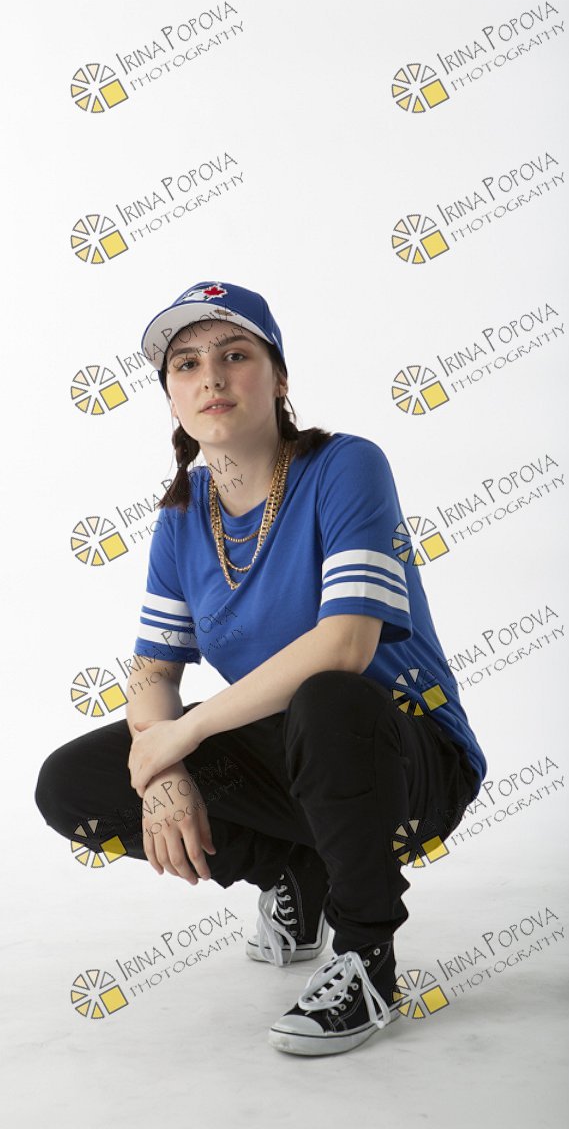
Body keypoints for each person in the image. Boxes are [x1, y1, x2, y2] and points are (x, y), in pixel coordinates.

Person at [35, 281, 487, 1057]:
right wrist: (162, 767)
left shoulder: (346, 466)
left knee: (329, 697)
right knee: (73, 783)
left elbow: (346, 645)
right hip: (294, 758)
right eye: (186, 364)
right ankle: (297, 868)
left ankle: (367, 956)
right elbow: (153, 675)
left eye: (235, 355)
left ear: (278, 378)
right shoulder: (183, 515)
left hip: (407, 761)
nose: (211, 376)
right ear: (171, 396)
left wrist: (183, 736)